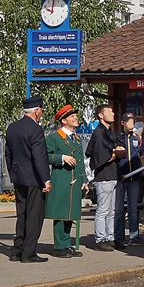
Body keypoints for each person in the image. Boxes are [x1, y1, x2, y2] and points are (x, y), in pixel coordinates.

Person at [4, 95, 51, 263]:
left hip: (19, 177)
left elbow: (8, 154)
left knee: (22, 215)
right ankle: (29, 253)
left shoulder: (12, 128)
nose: (42, 113)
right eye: (41, 111)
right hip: (34, 179)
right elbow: (39, 157)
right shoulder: (35, 129)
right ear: (36, 111)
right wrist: (45, 179)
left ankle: (17, 250)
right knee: (34, 217)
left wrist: (13, 173)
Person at [44, 104, 87, 258]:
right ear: (63, 120)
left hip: (74, 180)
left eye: (75, 115)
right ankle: (59, 247)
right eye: (72, 116)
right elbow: (45, 156)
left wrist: (84, 179)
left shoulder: (76, 138)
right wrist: (61, 158)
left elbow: (80, 161)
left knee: (71, 214)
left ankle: (67, 244)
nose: (76, 118)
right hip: (61, 179)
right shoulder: (54, 137)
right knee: (61, 214)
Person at [85, 103, 125, 251]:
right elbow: (99, 156)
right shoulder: (99, 134)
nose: (113, 113)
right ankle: (100, 239)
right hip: (104, 177)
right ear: (101, 115)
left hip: (114, 175)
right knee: (103, 210)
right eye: (110, 111)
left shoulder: (110, 133)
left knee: (114, 210)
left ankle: (111, 237)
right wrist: (115, 153)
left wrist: (118, 150)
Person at [115, 112, 144, 248]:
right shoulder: (118, 137)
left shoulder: (137, 138)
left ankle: (134, 236)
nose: (131, 124)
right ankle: (119, 237)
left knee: (133, 208)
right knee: (119, 209)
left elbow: (141, 154)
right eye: (128, 122)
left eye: (133, 122)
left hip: (134, 178)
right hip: (121, 178)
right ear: (123, 123)